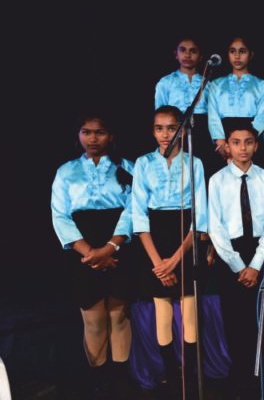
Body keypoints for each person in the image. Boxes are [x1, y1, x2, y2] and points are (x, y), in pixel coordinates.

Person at [51, 114, 135, 399]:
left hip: (118, 242)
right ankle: (99, 381)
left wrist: (110, 247)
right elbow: (60, 215)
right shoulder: (66, 171)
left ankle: (120, 381)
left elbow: (134, 209)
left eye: (100, 132)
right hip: (82, 247)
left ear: (111, 136)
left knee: (119, 315)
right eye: (86, 132)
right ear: (78, 135)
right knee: (93, 319)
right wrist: (90, 252)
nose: (93, 138)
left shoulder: (127, 167)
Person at [132, 105, 208, 397]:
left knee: (189, 314)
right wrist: (158, 264)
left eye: (172, 128)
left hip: (184, 240)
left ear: (183, 130)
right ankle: (170, 376)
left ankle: (189, 376)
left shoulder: (194, 163)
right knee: (162, 312)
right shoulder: (143, 163)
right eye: (159, 128)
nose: (165, 134)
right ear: (153, 131)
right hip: (154, 240)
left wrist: (175, 260)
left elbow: (199, 217)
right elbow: (139, 215)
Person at [208, 120, 264, 399]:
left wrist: (255, 265)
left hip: (259, 251)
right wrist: (238, 266)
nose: (242, 148)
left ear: (256, 146)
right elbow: (215, 226)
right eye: (236, 142)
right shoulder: (217, 180)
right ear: (227, 147)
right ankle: (239, 376)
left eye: (248, 142)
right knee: (234, 318)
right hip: (229, 254)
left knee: (258, 317)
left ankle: (259, 374)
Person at [206, 37, 264, 169]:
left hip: (251, 134)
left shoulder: (260, 84)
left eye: (242, 51)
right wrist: (222, 143)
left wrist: (248, 140)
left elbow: (263, 114)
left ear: (251, 55)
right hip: (224, 135)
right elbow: (213, 115)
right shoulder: (216, 84)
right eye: (232, 51)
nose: (237, 56)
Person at [155, 36, 214, 178]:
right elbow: (159, 114)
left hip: (202, 132)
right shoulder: (166, 82)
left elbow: (213, 114)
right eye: (183, 50)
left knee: (201, 170)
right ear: (176, 54)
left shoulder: (209, 84)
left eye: (193, 51)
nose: (187, 55)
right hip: (175, 130)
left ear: (200, 56)